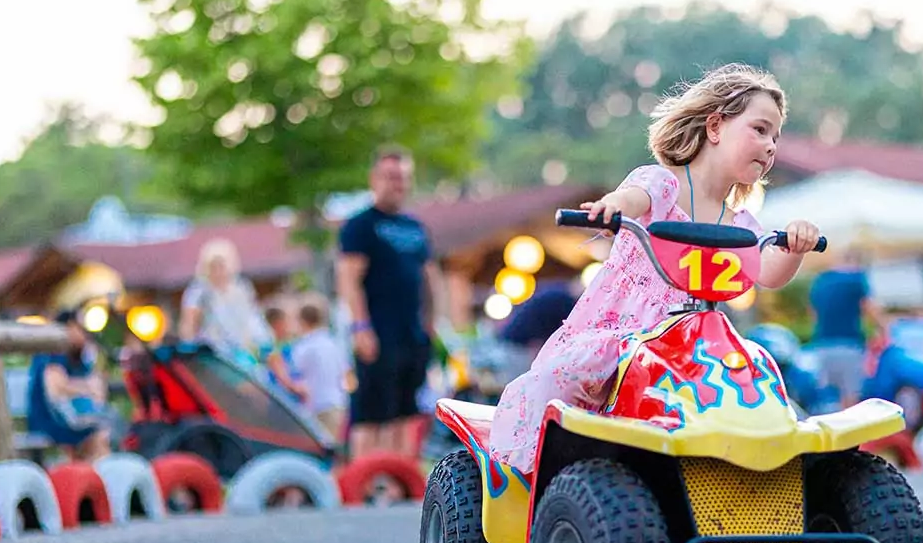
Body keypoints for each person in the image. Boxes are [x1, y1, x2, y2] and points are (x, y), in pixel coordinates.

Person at [488, 63, 821, 474]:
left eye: (776, 136)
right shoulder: (663, 184)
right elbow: (635, 196)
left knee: (748, 386)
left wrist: (795, 247)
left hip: (690, 345)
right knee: (565, 374)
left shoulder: (738, 224)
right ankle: (530, 470)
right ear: (715, 126)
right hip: (623, 330)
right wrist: (613, 208)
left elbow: (767, 271)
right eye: (759, 129)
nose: (771, 146)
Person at [336, 145, 447, 459]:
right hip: (377, 333)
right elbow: (348, 279)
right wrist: (360, 327)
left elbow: (430, 278)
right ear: (374, 179)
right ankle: (368, 487)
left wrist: (432, 321)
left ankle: (400, 483)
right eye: (390, 176)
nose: (397, 183)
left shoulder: (415, 227)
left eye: (402, 177)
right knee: (371, 414)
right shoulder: (360, 225)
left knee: (406, 412)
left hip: (413, 334)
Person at [26, 310, 111, 461]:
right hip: (49, 420)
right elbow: (56, 388)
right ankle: (98, 478)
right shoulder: (54, 351)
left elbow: (97, 383)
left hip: (68, 417)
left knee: (100, 431)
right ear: (69, 327)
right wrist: (87, 388)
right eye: (80, 328)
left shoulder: (77, 355)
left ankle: (86, 476)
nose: (84, 334)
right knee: (98, 436)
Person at [807, 246, 884, 408]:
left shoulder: (821, 280)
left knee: (828, 398)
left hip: (821, 345)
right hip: (849, 344)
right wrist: (884, 330)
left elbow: (812, 312)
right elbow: (869, 308)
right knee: (850, 399)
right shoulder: (856, 279)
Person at [178, 239, 272, 368]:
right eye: (213, 266)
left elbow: (253, 318)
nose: (218, 271)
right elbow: (189, 324)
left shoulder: (241, 288)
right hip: (213, 354)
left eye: (221, 265)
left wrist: (263, 342)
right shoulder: (198, 292)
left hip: (243, 351)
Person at [291, 301, 349, 439]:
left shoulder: (303, 347)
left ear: (303, 321)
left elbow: (296, 374)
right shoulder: (333, 343)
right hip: (338, 402)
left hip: (317, 405)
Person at [263, 304, 307, 401]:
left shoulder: (292, 344)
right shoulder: (273, 349)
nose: (291, 325)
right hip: (285, 401)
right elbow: (284, 379)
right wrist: (300, 389)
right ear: (278, 324)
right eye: (288, 321)